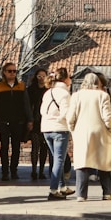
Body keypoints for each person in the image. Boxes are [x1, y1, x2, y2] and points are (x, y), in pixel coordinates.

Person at [66, 73, 111, 201]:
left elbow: (70, 117)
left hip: (82, 132)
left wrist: (72, 129)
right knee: (104, 162)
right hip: (100, 131)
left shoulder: (76, 96)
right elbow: (107, 116)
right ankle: (108, 193)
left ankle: (81, 194)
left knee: (82, 163)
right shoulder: (102, 95)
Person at [0, 62, 33, 181]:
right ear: (4, 72)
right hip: (3, 121)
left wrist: (30, 119)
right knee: (4, 147)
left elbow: (26, 104)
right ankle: (4, 172)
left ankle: (14, 170)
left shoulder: (21, 86)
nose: (12, 73)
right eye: (10, 71)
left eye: (14, 71)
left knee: (16, 147)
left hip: (18, 121)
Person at [39, 67, 73, 200]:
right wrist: (62, 121)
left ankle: (62, 187)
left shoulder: (48, 93)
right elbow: (66, 112)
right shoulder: (64, 94)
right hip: (59, 129)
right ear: (65, 79)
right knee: (59, 160)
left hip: (46, 129)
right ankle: (53, 190)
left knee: (56, 159)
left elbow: (42, 111)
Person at [26, 69, 51, 181]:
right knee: (35, 147)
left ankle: (41, 171)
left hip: (45, 120)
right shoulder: (30, 90)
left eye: (43, 76)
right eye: (39, 76)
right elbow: (27, 107)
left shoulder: (49, 91)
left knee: (44, 147)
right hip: (35, 121)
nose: (41, 79)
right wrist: (29, 120)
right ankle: (34, 170)